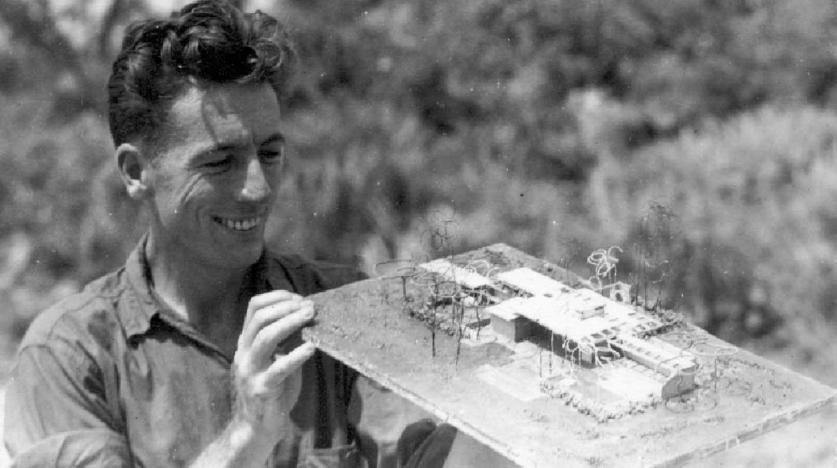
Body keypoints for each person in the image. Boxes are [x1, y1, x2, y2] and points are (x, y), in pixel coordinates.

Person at [4, 1, 513, 466]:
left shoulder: (340, 313)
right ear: (137, 172)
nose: (257, 188)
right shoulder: (70, 355)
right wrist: (247, 435)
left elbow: (439, 454)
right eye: (220, 161)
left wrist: (519, 392)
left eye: (269, 154)